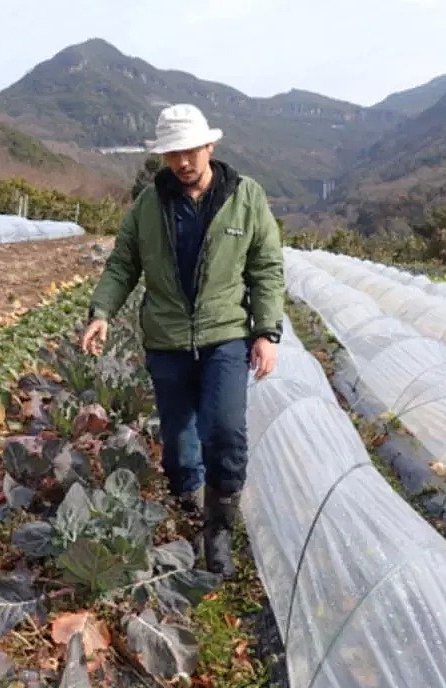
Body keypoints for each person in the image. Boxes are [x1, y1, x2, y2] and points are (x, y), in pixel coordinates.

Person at [80, 103, 285, 577]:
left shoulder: (246, 197)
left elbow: (266, 267)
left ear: (209, 146)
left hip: (225, 337)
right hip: (167, 340)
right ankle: (189, 500)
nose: (182, 163)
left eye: (190, 151)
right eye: (172, 154)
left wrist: (266, 331)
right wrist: (102, 311)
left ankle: (217, 529)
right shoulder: (148, 205)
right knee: (177, 442)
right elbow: (122, 264)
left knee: (227, 432)